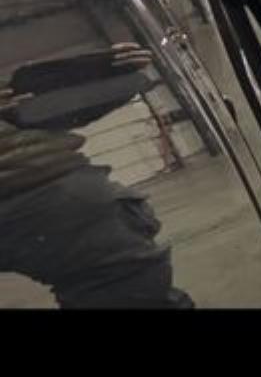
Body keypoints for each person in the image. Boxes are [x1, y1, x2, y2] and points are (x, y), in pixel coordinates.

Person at [0, 43, 193, 308]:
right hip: (57, 205)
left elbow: (23, 103)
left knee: (128, 291)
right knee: (129, 290)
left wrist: (101, 69)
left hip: (49, 204)